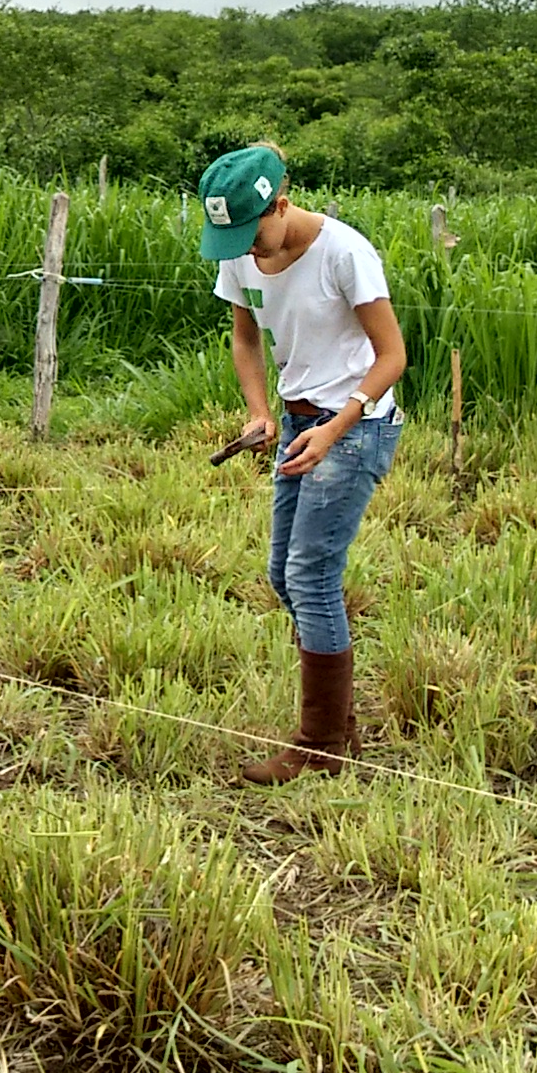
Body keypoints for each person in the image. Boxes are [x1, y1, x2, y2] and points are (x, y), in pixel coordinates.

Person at [201, 143, 407, 785]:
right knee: (283, 573)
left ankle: (320, 746)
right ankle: (338, 726)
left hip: (356, 423)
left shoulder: (345, 253)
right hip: (296, 422)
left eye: (251, 233)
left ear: (282, 205)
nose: (245, 250)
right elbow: (246, 337)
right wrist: (261, 411)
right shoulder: (241, 257)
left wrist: (333, 429)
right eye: (229, 237)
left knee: (311, 574)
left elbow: (392, 357)